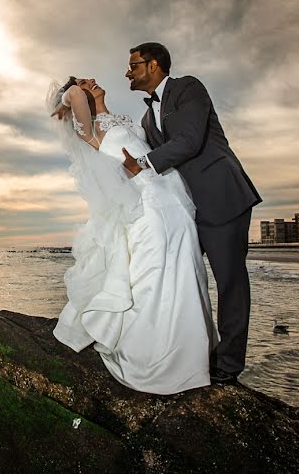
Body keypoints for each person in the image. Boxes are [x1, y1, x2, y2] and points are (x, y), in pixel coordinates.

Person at [48, 77, 217, 394]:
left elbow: (139, 144)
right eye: (86, 81)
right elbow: (74, 99)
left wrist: (89, 97)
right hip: (146, 205)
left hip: (172, 201)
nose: (93, 80)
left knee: (184, 270)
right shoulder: (91, 130)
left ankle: (191, 352)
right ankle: (157, 358)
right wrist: (67, 92)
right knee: (154, 274)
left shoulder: (109, 118)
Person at [120, 42, 261, 385]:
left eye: (133, 65)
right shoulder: (145, 116)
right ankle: (189, 351)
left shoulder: (188, 88)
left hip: (220, 197)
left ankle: (228, 367)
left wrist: (142, 164)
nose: (128, 72)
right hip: (186, 209)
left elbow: (189, 140)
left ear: (153, 65)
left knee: (230, 284)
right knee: (179, 276)